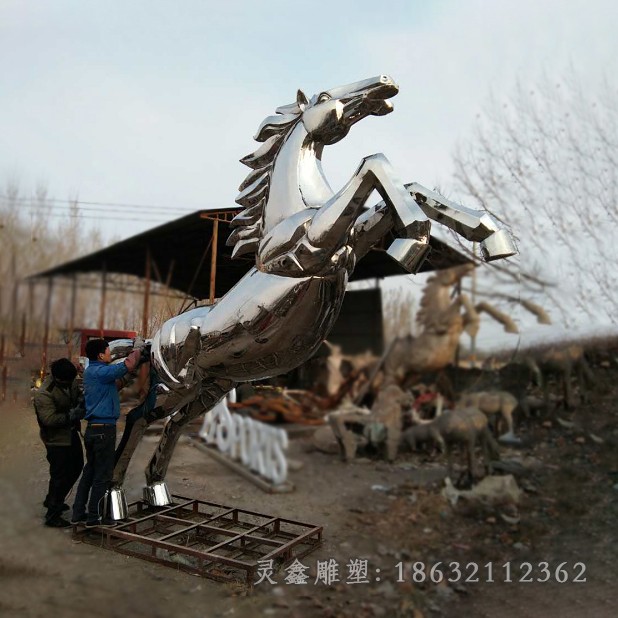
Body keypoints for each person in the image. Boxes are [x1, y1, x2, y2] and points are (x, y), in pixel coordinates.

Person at [71, 339, 140, 527]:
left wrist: (129, 375)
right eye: (108, 351)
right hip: (104, 431)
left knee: (90, 472)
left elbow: (116, 382)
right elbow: (126, 365)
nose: (110, 354)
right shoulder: (100, 371)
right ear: (101, 355)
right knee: (102, 476)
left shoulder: (92, 373)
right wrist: (139, 350)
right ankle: (95, 517)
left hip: (94, 430)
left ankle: (78, 513)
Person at [34, 358, 85, 528]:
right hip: (55, 439)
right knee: (60, 475)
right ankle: (53, 514)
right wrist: (71, 415)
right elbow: (48, 419)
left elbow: (77, 394)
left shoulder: (69, 380)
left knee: (77, 466)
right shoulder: (44, 393)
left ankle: (53, 499)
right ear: (56, 378)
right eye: (66, 382)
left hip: (70, 434)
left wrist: (81, 402)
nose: (69, 384)